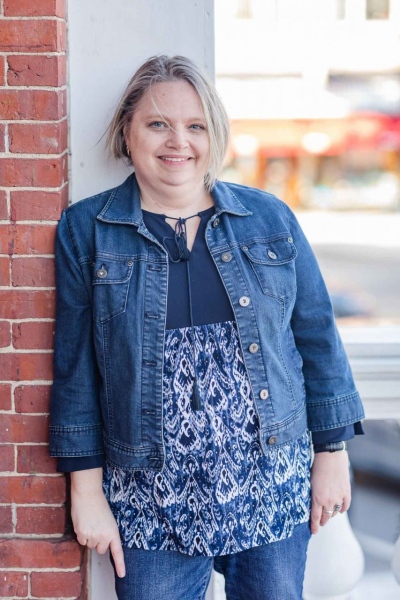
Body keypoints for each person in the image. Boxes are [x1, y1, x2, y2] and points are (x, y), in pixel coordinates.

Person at [49, 55, 365, 600]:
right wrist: (86, 489)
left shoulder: (268, 219)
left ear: (213, 134)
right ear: (128, 129)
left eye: (195, 125)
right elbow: (77, 370)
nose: (179, 142)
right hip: (148, 495)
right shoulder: (88, 230)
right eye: (158, 124)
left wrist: (332, 453)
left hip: (271, 480)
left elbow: (317, 340)